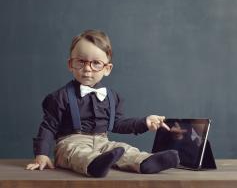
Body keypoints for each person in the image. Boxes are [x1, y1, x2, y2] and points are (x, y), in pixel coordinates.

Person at [25, 29, 179, 177]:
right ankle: (94, 165)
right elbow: (48, 126)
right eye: (80, 62)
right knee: (75, 152)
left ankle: (145, 162)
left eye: (96, 63)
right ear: (70, 64)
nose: (87, 69)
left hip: (102, 141)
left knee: (121, 149)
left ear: (107, 68)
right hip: (70, 142)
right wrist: (42, 154)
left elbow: (118, 124)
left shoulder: (112, 97)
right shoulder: (59, 96)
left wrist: (144, 122)